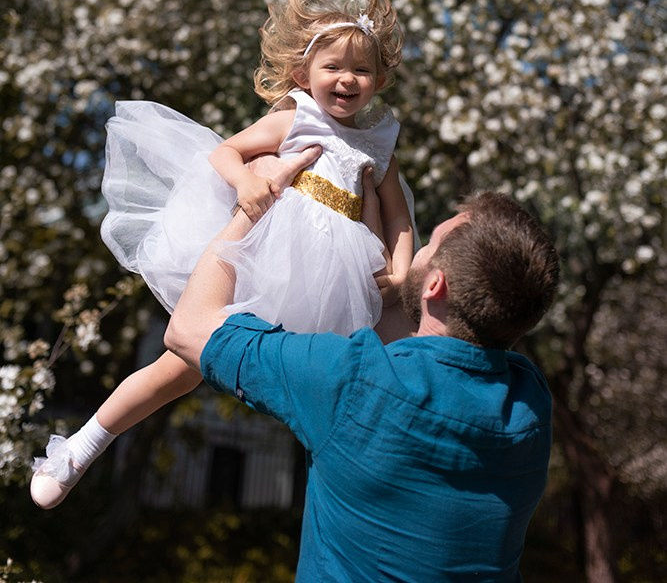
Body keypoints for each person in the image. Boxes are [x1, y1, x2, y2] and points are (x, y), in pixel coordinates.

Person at [31, 0, 415, 509]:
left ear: (379, 78)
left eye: (362, 69)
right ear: (305, 75)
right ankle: (82, 446)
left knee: (343, 381)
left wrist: (400, 269)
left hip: (338, 282)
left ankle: (376, 487)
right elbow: (224, 151)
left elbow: (398, 219)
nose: (347, 79)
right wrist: (246, 182)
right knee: (183, 365)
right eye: (333, 67)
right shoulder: (295, 121)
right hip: (266, 255)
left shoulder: (380, 146)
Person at [163, 156, 560, 583]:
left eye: (429, 245)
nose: (419, 249)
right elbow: (408, 340)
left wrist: (254, 203)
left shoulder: (352, 381)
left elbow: (188, 328)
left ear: (435, 285)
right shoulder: (531, 402)